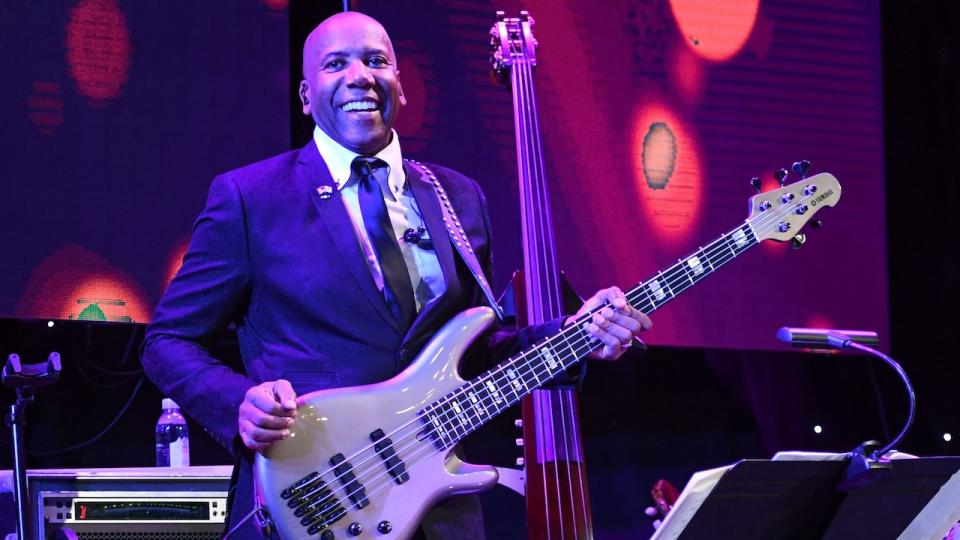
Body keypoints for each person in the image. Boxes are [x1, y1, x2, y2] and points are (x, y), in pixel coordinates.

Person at [141, 11, 651, 539]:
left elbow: (477, 351)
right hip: (314, 502)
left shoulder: (459, 198)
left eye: (376, 60)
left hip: (438, 509)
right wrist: (237, 406)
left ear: (400, 87)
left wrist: (576, 336)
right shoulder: (252, 198)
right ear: (304, 94)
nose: (359, 76)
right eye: (335, 64)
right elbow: (167, 341)